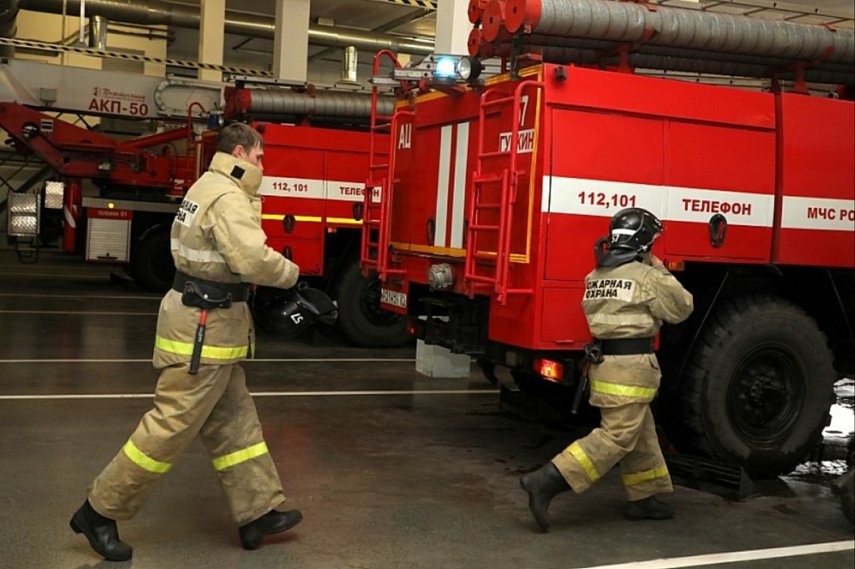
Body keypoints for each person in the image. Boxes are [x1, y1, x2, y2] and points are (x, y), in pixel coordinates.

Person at [70, 123, 302, 561]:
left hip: (208, 326)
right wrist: (291, 273)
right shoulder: (229, 197)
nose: (262, 165)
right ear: (239, 152)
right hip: (204, 331)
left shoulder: (205, 185)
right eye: (259, 157)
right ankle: (99, 510)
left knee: (236, 425)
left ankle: (257, 513)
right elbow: (250, 258)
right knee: (169, 427)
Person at [520, 207, 693, 532]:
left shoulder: (595, 276)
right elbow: (682, 307)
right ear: (643, 244)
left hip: (605, 367)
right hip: (631, 370)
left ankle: (644, 498)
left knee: (639, 431)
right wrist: (656, 267)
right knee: (617, 436)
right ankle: (546, 481)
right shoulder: (646, 276)